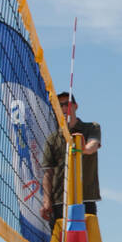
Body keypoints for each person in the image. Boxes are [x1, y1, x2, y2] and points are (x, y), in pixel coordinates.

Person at [41, 93, 101, 230]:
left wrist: (82, 149)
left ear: (75, 106)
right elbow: (48, 173)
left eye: (66, 104)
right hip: (59, 201)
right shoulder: (53, 138)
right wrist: (46, 202)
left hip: (85, 198)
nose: (63, 108)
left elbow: (94, 144)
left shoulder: (91, 127)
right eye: (59, 105)